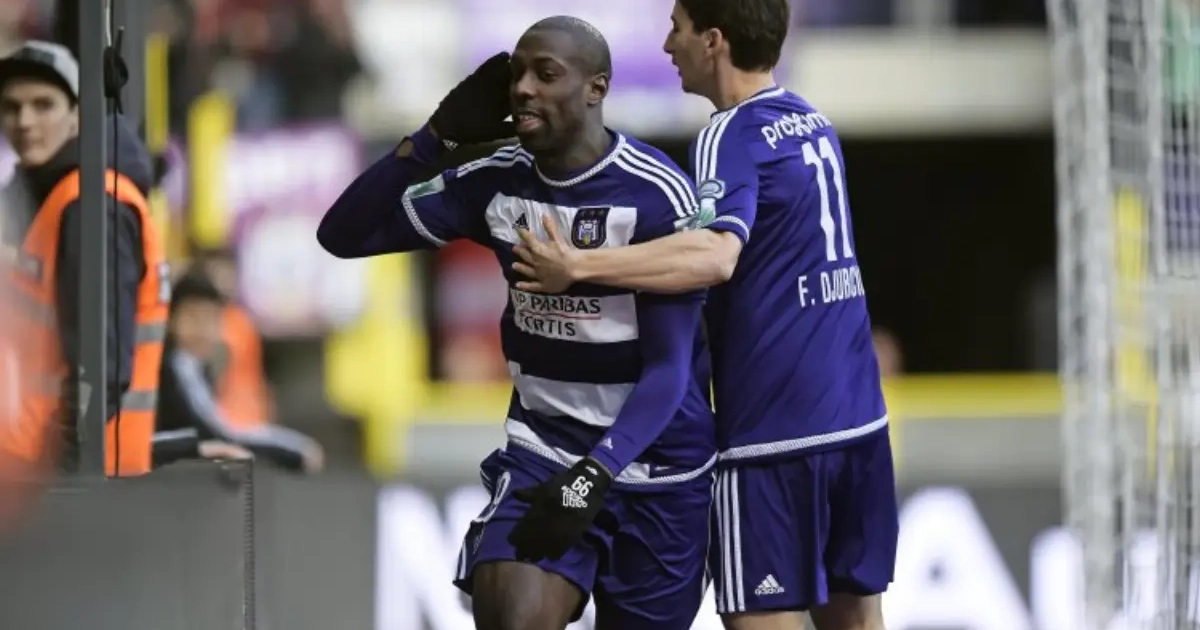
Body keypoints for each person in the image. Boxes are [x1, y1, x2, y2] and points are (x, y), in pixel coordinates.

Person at [318, 17, 715, 630]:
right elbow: (342, 235)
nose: (524, 88)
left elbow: (669, 371)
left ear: (596, 88)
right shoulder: (493, 180)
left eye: (546, 74)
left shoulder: (657, 194)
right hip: (545, 451)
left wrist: (595, 475)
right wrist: (432, 139)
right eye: (518, 74)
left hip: (657, 466)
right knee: (511, 614)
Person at [510, 2, 896, 629]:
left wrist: (579, 266)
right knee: (857, 621)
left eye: (677, 28)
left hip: (775, 436)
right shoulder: (811, 122)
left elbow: (716, 256)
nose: (668, 45)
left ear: (713, 40)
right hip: (859, 423)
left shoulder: (727, 135)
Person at [0, 41, 170, 477]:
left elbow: (100, 368)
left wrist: (59, 467)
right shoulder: (56, 200)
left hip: (70, 480)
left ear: (78, 115)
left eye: (43, 105)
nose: (24, 121)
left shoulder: (92, 205)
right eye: (11, 107)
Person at [156, 271, 323, 473]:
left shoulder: (197, 368)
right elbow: (217, 433)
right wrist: (291, 450)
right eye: (193, 317)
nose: (203, 330)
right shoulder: (171, 368)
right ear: (171, 319)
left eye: (211, 319)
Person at [192, 247, 274, 428]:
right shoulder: (232, 320)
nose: (224, 281)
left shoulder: (239, 321)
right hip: (227, 418)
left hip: (240, 418)